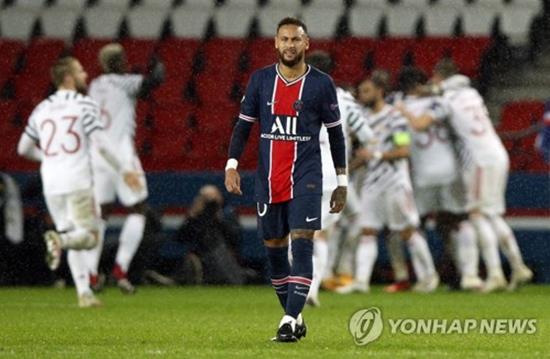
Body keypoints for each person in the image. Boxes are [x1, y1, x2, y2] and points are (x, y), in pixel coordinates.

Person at [224, 17, 347, 342]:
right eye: (284, 39)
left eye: (296, 39)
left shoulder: (321, 84)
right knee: (275, 253)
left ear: (307, 44)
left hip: (307, 177)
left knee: (302, 245)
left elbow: (336, 136)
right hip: (268, 180)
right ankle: (295, 317)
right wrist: (232, 164)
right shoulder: (261, 80)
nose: (290, 45)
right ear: (276, 44)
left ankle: (289, 319)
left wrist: (342, 181)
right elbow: (243, 126)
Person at [16, 57, 141, 307]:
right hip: (77, 179)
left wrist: (48, 158)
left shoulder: (41, 109)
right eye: (81, 71)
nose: (86, 75)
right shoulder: (83, 105)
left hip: (51, 181)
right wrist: (124, 169)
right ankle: (60, 243)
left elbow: (23, 148)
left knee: (69, 230)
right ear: (69, 78)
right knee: (90, 237)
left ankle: (84, 293)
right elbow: (101, 142)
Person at [432, 59, 532, 291]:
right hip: (497, 153)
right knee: (493, 214)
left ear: (438, 77)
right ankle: (518, 267)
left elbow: (426, 121)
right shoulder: (472, 95)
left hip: (477, 159)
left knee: (476, 215)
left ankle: (496, 273)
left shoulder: (446, 100)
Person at [338, 71, 439, 294]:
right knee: (367, 231)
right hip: (372, 183)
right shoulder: (362, 118)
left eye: (366, 91)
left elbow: (403, 150)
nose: (362, 96)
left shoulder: (396, 117)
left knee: (407, 231)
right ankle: (361, 282)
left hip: (395, 182)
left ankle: (429, 277)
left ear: (379, 91)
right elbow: (363, 155)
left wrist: (375, 156)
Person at [85, 43, 164, 294]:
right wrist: (158, 64)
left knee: (101, 213)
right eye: (122, 59)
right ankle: (120, 269)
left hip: (98, 156)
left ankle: (91, 274)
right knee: (139, 209)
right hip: (122, 156)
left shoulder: (95, 86)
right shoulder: (125, 82)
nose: (126, 62)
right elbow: (154, 82)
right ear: (117, 62)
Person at [394, 67, 482, 291]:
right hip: (450, 170)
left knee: (416, 226)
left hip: (422, 173)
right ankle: (469, 274)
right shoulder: (442, 102)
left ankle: (428, 278)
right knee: (457, 221)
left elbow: (401, 139)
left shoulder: (399, 109)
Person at [304, 51, 373, 307]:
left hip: (302, 172)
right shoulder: (344, 98)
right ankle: (312, 288)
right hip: (333, 177)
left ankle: (300, 281)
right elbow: (367, 135)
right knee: (321, 234)